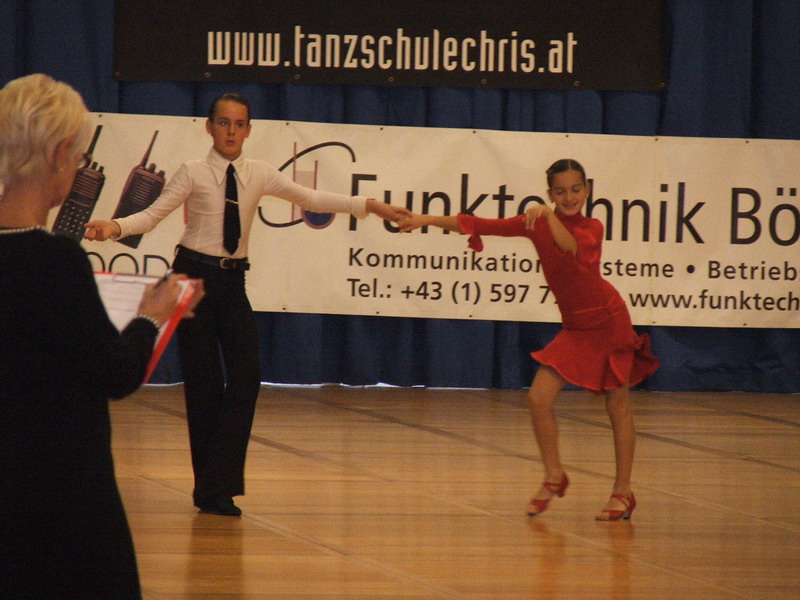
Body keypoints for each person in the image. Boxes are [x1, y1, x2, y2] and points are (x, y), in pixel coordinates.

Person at [84, 92, 408, 517]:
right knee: (203, 384)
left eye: (239, 124)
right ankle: (212, 492)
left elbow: (311, 199)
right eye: (224, 123)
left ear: (249, 130)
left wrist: (371, 206)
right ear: (209, 127)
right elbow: (152, 215)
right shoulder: (193, 171)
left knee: (247, 376)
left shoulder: (259, 173)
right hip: (192, 279)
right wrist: (114, 226)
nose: (231, 131)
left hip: (233, 280)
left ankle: (218, 481)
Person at [0, 74, 194, 598]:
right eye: (81, 156)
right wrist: (151, 316)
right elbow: (116, 373)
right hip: (59, 495)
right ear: (60, 153)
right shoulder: (54, 261)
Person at [398, 158, 659, 521]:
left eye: (576, 189)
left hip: (609, 322)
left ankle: (623, 492)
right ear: (550, 193)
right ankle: (553, 475)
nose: (569, 197)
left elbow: (570, 246)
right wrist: (424, 219)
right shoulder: (535, 223)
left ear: (587, 190)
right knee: (538, 399)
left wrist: (548, 216)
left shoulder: (592, 226)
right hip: (576, 328)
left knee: (618, 406)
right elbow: (478, 224)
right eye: (560, 192)